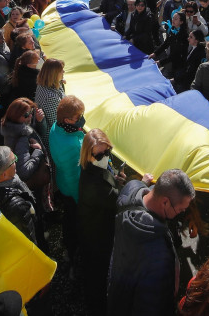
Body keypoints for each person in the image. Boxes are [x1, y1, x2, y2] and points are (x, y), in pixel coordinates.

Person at [78, 129, 149, 316]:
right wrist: (141, 184)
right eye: (99, 154)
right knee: (99, 273)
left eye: (107, 151)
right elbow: (119, 200)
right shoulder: (92, 184)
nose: (105, 156)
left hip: (99, 225)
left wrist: (117, 178)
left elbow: (110, 176)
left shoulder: (94, 167)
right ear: (89, 154)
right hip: (98, 233)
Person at [108, 169, 195, 316]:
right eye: (180, 210)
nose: (181, 213)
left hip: (116, 290)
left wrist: (143, 183)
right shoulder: (159, 256)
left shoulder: (131, 189)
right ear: (165, 202)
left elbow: (135, 187)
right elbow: (152, 305)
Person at [0, 146, 42, 247]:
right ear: (3, 175)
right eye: (13, 161)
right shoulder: (16, 206)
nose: (16, 163)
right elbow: (29, 240)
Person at [0, 97, 49, 193]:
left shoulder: (18, 126)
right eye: (26, 114)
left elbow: (37, 133)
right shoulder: (21, 137)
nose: (31, 116)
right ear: (15, 116)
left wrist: (40, 121)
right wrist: (38, 151)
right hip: (35, 184)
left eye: (31, 112)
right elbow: (24, 172)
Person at [34, 58, 65, 137]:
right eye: (61, 71)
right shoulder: (50, 97)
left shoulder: (44, 84)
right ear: (54, 74)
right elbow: (56, 122)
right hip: (54, 137)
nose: (64, 72)